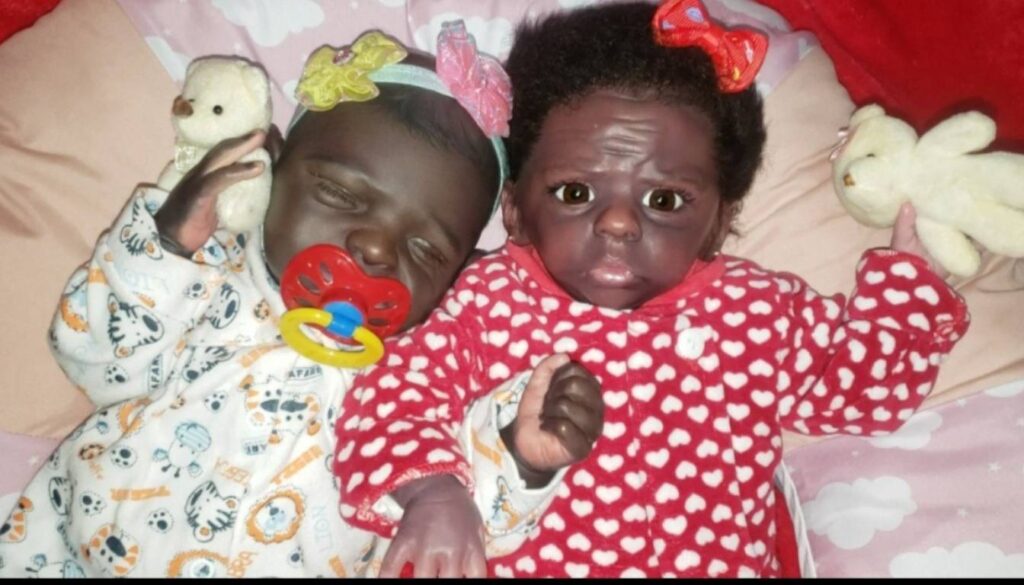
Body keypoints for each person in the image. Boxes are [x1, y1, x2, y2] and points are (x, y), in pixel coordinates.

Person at [332, 0, 971, 577]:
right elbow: (391, 399)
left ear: (718, 223)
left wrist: (908, 288)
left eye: (664, 200)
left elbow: (854, 393)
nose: (618, 223)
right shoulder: (485, 304)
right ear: (516, 210)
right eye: (575, 192)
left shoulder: (755, 312)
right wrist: (433, 493)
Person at [0, 24, 596, 578]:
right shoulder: (209, 275)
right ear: (270, 166)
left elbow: (449, 517)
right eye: (339, 193)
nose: (375, 248)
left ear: (458, 274)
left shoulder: (419, 377)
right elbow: (95, 359)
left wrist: (521, 458)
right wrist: (167, 241)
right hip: (69, 553)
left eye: (426, 249)